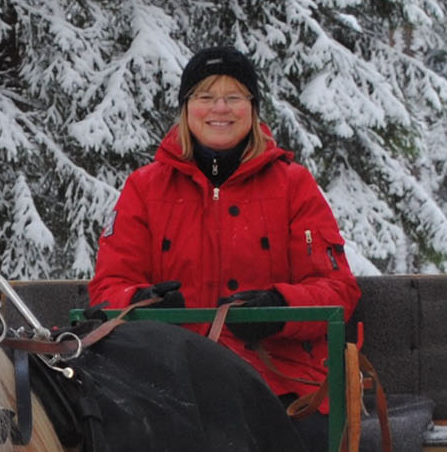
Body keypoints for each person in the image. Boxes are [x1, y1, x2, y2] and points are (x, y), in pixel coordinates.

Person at [87, 47, 361, 405]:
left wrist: (278, 308)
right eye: (206, 97)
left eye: (234, 97)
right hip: (169, 381)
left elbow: (337, 290)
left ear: (252, 109)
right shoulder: (144, 188)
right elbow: (108, 288)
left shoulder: (293, 185)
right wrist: (141, 304)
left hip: (278, 381)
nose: (220, 109)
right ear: (186, 109)